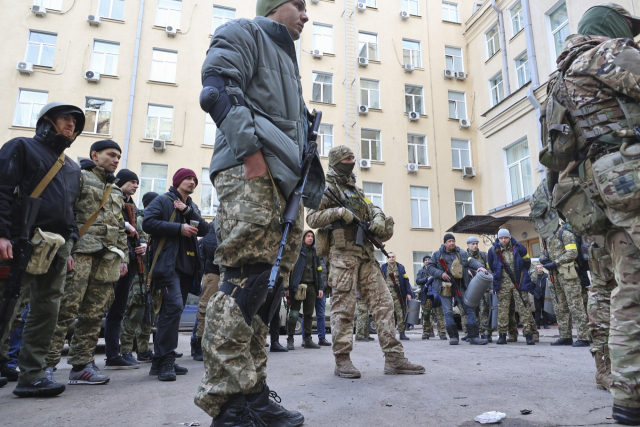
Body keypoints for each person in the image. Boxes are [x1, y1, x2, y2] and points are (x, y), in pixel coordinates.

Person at [194, 1, 326, 425]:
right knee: (244, 280)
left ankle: (253, 395)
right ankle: (228, 405)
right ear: (274, 5)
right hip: (252, 172)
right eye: (299, 5)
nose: (306, 15)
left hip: (283, 186)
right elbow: (215, 88)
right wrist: (250, 153)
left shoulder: (288, 59)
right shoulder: (244, 32)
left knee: (266, 293)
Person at [541, 4, 640, 422]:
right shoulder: (607, 53)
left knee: (629, 289)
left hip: (601, 191)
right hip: (630, 170)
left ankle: (629, 397)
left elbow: (556, 157)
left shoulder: (559, 81)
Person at [307, 145, 424, 379]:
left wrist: (379, 217)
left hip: (366, 255)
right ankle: (342, 360)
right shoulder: (326, 188)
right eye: (347, 158)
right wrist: (338, 213)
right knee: (343, 309)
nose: (352, 161)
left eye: (353, 157)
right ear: (337, 161)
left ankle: (394, 358)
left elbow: (372, 208)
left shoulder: (357, 191)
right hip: (342, 257)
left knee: (384, 304)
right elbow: (311, 217)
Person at [0, 102, 84, 397]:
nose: (71, 124)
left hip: (58, 246)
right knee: (5, 304)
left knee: (47, 309)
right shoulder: (20, 147)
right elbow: (1, 189)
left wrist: (70, 246)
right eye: (65, 118)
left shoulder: (73, 168)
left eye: (75, 121)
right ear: (46, 121)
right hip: (19, 240)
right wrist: (1, 235)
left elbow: (71, 211)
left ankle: (32, 376)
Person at [45, 139, 129, 385]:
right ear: (95, 155)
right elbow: (65, 214)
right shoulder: (78, 176)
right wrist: (66, 251)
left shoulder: (115, 190)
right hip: (80, 251)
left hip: (107, 257)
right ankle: (45, 365)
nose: (115, 160)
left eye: (118, 156)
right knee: (65, 310)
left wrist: (122, 255)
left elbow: (119, 227)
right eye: (111, 155)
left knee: (94, 313)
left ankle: (81, 365)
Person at [143, 168, 208, 381]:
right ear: (178, 181)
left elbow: (205, 230)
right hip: (168, 266)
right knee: (173, 308)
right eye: (188, 178)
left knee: (171, 313)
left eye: (194, 179)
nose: (192, 182)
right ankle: (166, 362)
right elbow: (148, 223)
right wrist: (179, 228)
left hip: (187, 266)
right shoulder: (162, 200)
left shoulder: (191, 206)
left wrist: (188, 213)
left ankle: (159, 360)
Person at [103, 169, 147, 369]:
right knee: (98, 310)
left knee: (118, 310)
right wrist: (125, 225)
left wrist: (143, 244)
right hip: (111, 259)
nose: (136, 185)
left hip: (129, 261)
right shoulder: (111, 196)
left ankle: (115, 354)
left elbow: (140, 230)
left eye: (137, 182)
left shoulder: (132, 205)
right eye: (132, 181)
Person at [427, 234, 489, 346]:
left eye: (453, 241)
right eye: (449, 241)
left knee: (469, 309)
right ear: (445, 243)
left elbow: (471, 260)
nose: (452, 243)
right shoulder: (437, 254)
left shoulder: (461, 253)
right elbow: (430, 268)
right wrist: (441, 274)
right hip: (444, 287)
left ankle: (474, 337)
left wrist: (480, 266)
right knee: (448, 312)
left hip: (460, 286)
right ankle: (453, 337)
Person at [119, 191, 158, 363]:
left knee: (147, 313)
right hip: (138, 273)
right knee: (136, 311)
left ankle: (143, 350)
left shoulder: (154, 221)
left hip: (150, 274)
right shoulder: (141, 220)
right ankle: (125, 350)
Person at [539, 224, 590, 347]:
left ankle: (584, 337)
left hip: (568, 276)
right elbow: (542, 253)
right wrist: (543, 259)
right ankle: (565, 336)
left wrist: (556, 262)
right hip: (554, 277)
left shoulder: (565, 234)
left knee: (576, 306)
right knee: (560, 308)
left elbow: (572, 252)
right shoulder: (546, 238)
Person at [487, 229, 536, 346]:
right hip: (502, 284)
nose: (503, 240)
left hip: (518, 283)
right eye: (501, 238)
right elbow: (491, 267)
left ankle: (529, 335)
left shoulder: (519, 247)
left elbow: (527, 263)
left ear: (509, 237)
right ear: (498, 239)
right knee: (503, 311)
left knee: (524, 309)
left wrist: (522, 279)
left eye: (505, 238)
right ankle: (502, 335)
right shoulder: (493, 250)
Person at [584, 235, 616, 392]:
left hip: (626, 284)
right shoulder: (602, 227)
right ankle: (603, 373)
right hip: (603, 286)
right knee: (601, 329)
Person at [286, 230, 327, 350]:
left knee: (309, 314)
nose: (310, 238)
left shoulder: (315, 252)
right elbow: (289, 270)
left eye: (312, 237)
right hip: (298, 287)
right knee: (293, 314)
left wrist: (320, 288)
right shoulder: (297, 251)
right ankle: (290, 339)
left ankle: (308, 339)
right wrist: (287, 288)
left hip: (312, 287)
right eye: (308, 236)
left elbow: (319, 270)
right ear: (303, 237)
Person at [191, 222, 220, 361]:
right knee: (204, 309)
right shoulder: (212, 227)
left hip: (226, 274)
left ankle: (211, 345)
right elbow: (212, 248)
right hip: (213, 274)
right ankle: (198, 345)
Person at [380, 252, 413, 341]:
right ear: (387, 259)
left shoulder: (401, 267)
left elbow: (406, 280)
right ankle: (388, 334)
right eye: (389, 257)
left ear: (395, 258)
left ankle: (402, 333)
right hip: (387, 294)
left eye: (393, 257)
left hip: (398, 294)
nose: (391, 258)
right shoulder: (383, 268)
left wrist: (408, 293)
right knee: (388, 315)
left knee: (400, 313)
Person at [466, 236, 492, 342]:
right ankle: (473, 334)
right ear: (468, 245)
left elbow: (489, 270)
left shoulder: (483, 255)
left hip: (483, 287)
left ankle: (486, 333)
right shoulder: (464, 256)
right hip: (470, 288)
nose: (475, 246)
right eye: (473, 244)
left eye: (476, 243)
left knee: (484, 310)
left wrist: (490, 287)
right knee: (472, 311)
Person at [416, 255, 442, 340]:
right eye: (425, 260)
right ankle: (426, 333)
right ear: (424, 262)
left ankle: (442, 333)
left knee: (439, 315)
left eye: (429, 259)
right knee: (426, 315)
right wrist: (427, 279)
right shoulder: (421, 271)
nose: (427, 261)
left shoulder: (436, 270)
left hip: (437, 295)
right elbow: (418, 281)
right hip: (426, 295)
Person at [532, 264, 550, 330]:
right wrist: (534, 293)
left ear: (542, 268)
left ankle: (545, 324)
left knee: (545, 310)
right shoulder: (534, 277)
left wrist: (547, 293)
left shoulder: (546, 276)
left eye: (540, 267)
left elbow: (549, 285)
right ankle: (537, 324)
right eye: (538, 268)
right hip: (537, 295)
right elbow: (531, 286)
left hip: (545, 295)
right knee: (537, 310)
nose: (539, 269)